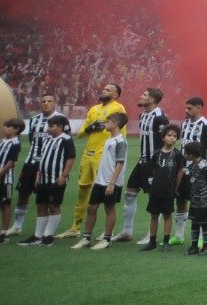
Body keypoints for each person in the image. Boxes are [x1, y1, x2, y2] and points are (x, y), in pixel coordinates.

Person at [68, 82, 125, 238]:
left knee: (103, 193)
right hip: (88, 154)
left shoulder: (118, 108)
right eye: (104, 88)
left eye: (108, 89)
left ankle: (108, 231)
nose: (103, 90)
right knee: (82, 190)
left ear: (115, 95)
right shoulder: (93, 109)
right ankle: (75, 227)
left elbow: (121, 134)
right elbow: (80, 134)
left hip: (103, 156)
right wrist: (90, 128)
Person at [10, 92, 65, 237]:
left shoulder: (61, 120)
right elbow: (31, 139)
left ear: (55, 103)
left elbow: (65, 141)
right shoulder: (34, 120)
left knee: (46, 196)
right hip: (31, 161)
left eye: (49, 101)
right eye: (43, 101)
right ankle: (17, 225)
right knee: (23, 192)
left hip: (50, 164)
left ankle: (45, 231)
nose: (46, 103)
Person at [121, 86, 168, 245]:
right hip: (142, 161)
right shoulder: (142, 115)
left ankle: (151, 234)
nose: (141, 96)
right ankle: (127, 231)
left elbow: (167, 140)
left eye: (145, 95)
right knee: (130, 192)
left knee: (154, 198)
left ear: (152, 99)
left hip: (154, 163)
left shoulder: (160, 117)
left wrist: (161, 163)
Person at [74, 112, 127, 250]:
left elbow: (120, 164)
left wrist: (111, 183)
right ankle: (86, 238)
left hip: (111, 182)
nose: (105, 124)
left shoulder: (120, 141)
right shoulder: (109, 139)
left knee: (109, 208)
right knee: (91, 207)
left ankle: (107, 239)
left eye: (107, 122)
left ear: (115, 124)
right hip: (100, 181)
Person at [20, 114, 74, 246]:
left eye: (51, 126)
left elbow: (71, 157)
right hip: (43, 179)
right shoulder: (47, 140)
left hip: (56, 179)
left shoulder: (66, 139)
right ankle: (38, 236)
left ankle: (48, 236)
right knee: (41, 206)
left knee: (54, 206)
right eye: (48, 126)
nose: (48, 129)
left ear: (60, 127)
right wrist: (38, 176)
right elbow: (43, 158)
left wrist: (64, 175)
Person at [173, 95, 207, 244]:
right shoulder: (184, 124)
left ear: (199, 108)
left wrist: (206, 164)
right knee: (180, 200)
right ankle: (179, 235)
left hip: (197, 171)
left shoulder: (206, 125)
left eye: (189, 108)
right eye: (186, 107)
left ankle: (199, 238)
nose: (186, 110)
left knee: (197, 202)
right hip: (182, 169)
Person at [142, 125, 184, 252]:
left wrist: (174, 188)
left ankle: (166, 241)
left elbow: (180, 172)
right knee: (154, 215)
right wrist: (153, 185)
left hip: (169, 190)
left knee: (167, 215)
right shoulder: (156, 153)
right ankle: (152, 241)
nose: (172, 138)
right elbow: (154, 170)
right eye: (169, 135)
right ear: (163, 137)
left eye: (175, 136)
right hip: (155, 190)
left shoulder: (177, 154)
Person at [181, 142, 207, 255]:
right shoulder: (192, 165)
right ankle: (194, 247)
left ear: (191, 155)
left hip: (204, 200)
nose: (185, 155)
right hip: (195, 199)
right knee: (194, 222)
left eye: (186, 153)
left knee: (204, 223)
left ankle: (205, 247)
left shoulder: (203, 165)